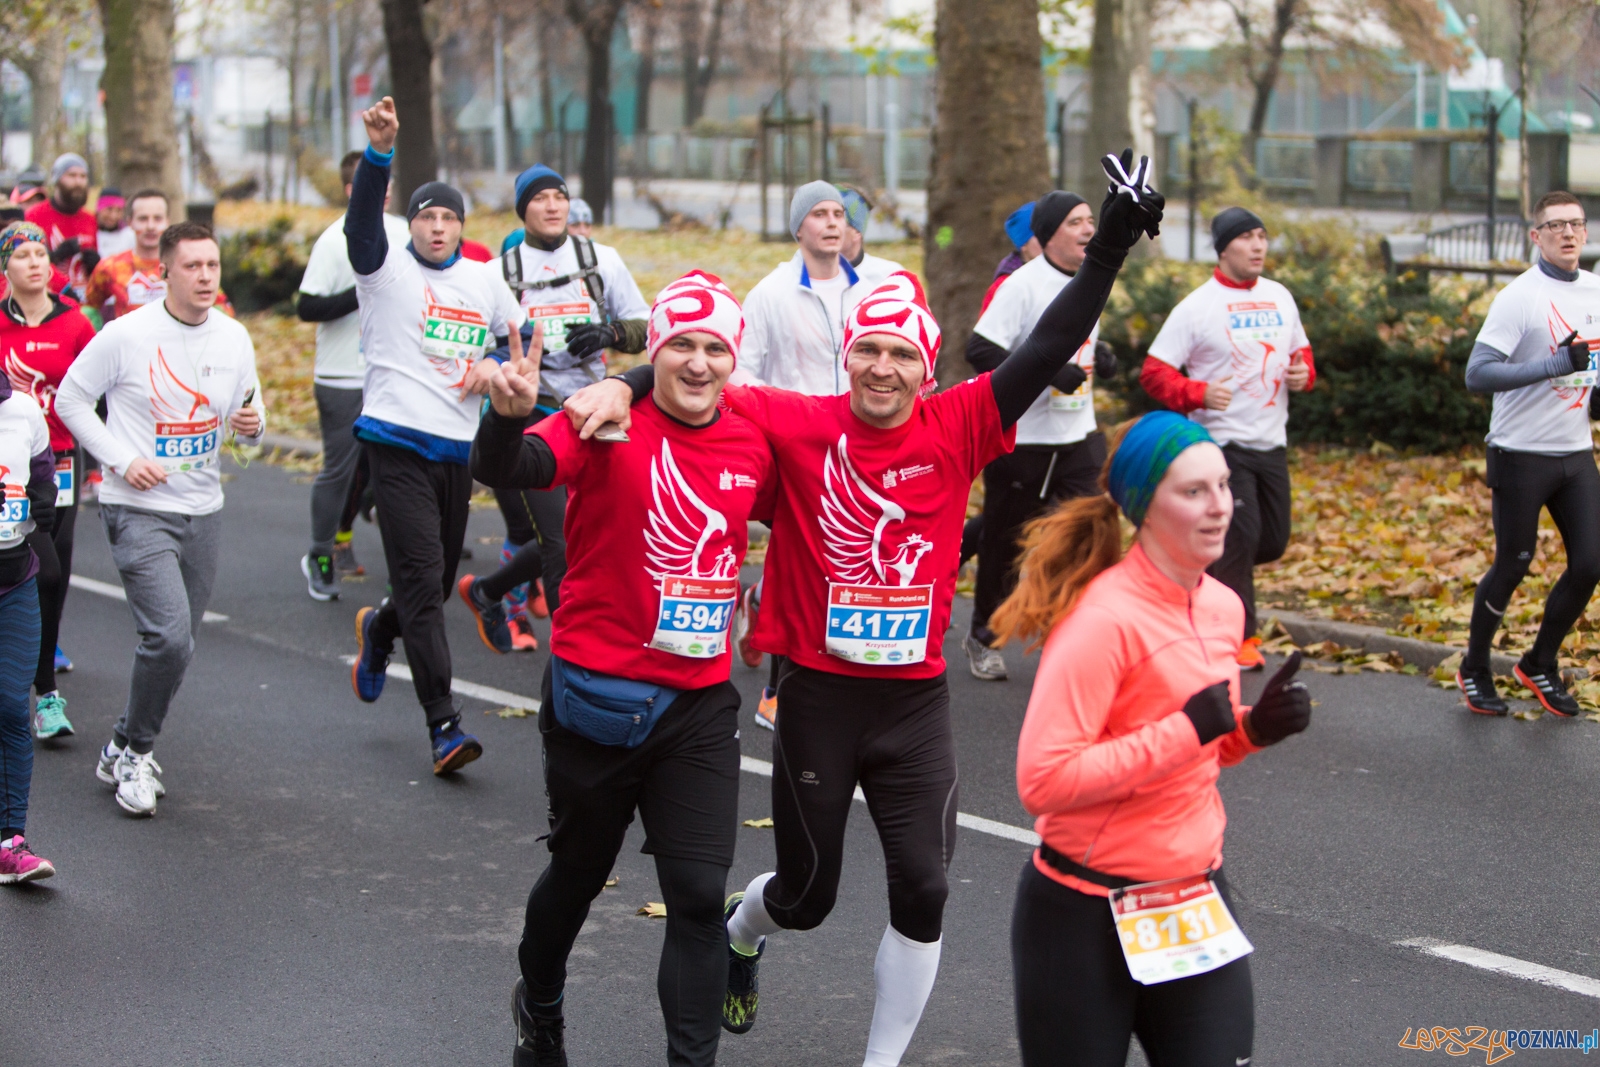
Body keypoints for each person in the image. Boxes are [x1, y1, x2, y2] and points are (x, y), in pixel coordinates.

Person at [567, 150, 1164, 1067]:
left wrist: (1108, 254)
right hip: (819, 696)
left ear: (926, 367)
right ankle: (744, 929)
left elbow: (1046, 347)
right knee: (810, 892)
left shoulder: (960, 422)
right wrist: (625, 380)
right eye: (868, 354)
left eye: (901, 355)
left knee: (924, 887)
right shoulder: (797, 423)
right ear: (849, 362)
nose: (882, 370)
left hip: (915, 704)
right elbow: (701, 364)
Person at [474, 270, 775, 1067]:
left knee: (701, 897)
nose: (701, 363)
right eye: (682, 345)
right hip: (599, 699)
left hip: (700, 705)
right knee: (576, 873)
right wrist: (505, 421)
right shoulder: (604, 421)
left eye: (716, 347)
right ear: (659, 349)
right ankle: (538, 1002)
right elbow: (516, 468)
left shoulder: (751, 435)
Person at [992, 410, 1310, 1067]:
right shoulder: (1101, 620)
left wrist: (1252, 730)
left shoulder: (1222, 606)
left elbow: (1200, 746)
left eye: (1223, 485)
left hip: (1191, 895)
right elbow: (1042, 780)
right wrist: (1185, 727)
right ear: (1143, 505)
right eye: (1193, 491)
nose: (1220, 506)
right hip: (1083, 914)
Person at [56, 220, 265, 817]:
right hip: (137, 507)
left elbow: (248, 426)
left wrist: (252, 429)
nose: (204, 276)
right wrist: (121, 459)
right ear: (164, 272)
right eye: (192, 266)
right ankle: (137, 756)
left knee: (181, 645)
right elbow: (70, 399)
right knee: (168, 635)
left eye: (212, 266)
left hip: (204, 509)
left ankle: (121, 741)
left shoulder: (232, 339)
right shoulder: (126, 336)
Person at [343, 96, 523, 776]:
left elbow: (519, 341)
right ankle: (443, 724)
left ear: (462, 227)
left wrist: (495, 364)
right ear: (411, 223)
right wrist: (379, 155)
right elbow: (362, 225)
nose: (438, 226)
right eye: (427, 215)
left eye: (449, 217)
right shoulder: (385, 268)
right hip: (393, 440)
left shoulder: (484, 280)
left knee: (438, 582)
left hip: (457, 451)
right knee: (424, 583)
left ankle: (381, 627)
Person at [461, 163, 648, 654]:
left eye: (560, 197)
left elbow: (646, 326)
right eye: (540, 198)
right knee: (559, 541)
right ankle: (577, 654)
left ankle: (489, 591)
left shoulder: (600, 258)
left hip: (595, 408)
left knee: (592, 529)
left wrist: (610, 334)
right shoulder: (497, 272)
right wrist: (500, 362)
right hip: (532, 412)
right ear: (523, 208)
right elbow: (475, 348)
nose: (552, 206)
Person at [1140, 206, 1314, 670]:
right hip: (1221, 445)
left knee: (1272, 541)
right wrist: (1196, 392)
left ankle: (1197, 578)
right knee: (1239, 537)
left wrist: (1304, 373)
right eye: (1247, 237)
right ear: (1223, 247)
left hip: (1271, 441)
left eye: (1262, 236)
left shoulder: (1280, 296)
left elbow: (1301, 353)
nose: (1258, 246)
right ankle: (1239, 639)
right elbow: (1154, 374)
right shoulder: (1197, 307)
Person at [734, 181, 877, 728]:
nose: (832, 223)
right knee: (802, 561)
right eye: (819, 214)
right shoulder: (770, 294)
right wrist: (786, 410)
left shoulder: (869, 289)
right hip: (798, 446)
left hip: (859, 441)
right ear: (799, 228)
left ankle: (773, 615)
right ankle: (777, 688)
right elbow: (742, 370)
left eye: (839, 213)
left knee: (843, 558)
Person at [961, 191, 1118, 682]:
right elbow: (980, 350)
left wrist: (1104, 356)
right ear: (1050, 234)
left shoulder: (1092, 281)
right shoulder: (1022, 284)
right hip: (1021, 440)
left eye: (1092, 220)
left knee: (1090, 532)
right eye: (1076, 222)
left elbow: (1081, 339)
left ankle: (1073, 631)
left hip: (1078, 436)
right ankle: (984, 636)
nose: (1089, 230)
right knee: (1004, 543)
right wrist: (1048, 372)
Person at [1456, 191, 1600, 718]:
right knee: (1513, 565)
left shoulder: (1596, 289)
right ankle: (1474, 666)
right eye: (1555, 225)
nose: (1567, 233)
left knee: (1590, 563)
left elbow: (1589, 375)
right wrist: (1554, 364)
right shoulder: (1521, 296)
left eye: (1576, 224)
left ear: (1585, 233)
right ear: (1535, 236)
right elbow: (1478, 374)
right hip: (1520, 454)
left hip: (1575, 452)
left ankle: (1539, 661)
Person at [296, 151, 410, 600]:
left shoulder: (406, 231)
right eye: (371, 186)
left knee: (398, 473)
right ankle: (320, 554)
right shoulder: (332, 240)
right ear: (352, 191)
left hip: (397, 371)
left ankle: (403, 571)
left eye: (386, 186)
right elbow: (307, 307)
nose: (382, 195)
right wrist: (364, 287)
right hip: (342, 374)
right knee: (339, 471)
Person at [0, 223, 96, 739]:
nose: (36, 262)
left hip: (60, 458)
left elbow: (98, 389)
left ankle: (42, 684)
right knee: (34, 569)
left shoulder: (75, 324)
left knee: (54, 571)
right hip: (8, 466)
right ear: (6, 268)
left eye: (42, 252)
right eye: (23, 255)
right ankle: (42, 693)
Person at [0, 353, 59, 882]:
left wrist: (42, 501)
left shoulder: (22, 411)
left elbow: (44, 477)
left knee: (12, 710)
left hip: (14, 581)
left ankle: (10, 839)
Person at [83, 189, 234, 326]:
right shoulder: (110, 267)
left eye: (157, 219)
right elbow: (88, 309)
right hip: (130, 352)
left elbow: (222, 307)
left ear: (167, 221)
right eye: (143, 219)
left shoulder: (186, 265)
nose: (150, 226)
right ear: (130, 222)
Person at [25, 153, 98, 300]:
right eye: (72, 175)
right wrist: (55, 256)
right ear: (56, 179)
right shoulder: (34, 216)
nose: (78, 182)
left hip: (84, 301)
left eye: (83, 176)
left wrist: (96, 264)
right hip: (48, 299)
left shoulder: (90, 219)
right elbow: (25, 263)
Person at [838, 187, 903, 287]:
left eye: (838, 221)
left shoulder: (890, 276)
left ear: (856, 232)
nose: (827, 227)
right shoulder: (808, 275)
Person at [94, 188, 136, 259]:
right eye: (109, 209)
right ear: (99, 209)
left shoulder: (130, 235)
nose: (113, 216)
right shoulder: (90, 233)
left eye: (119, 210)